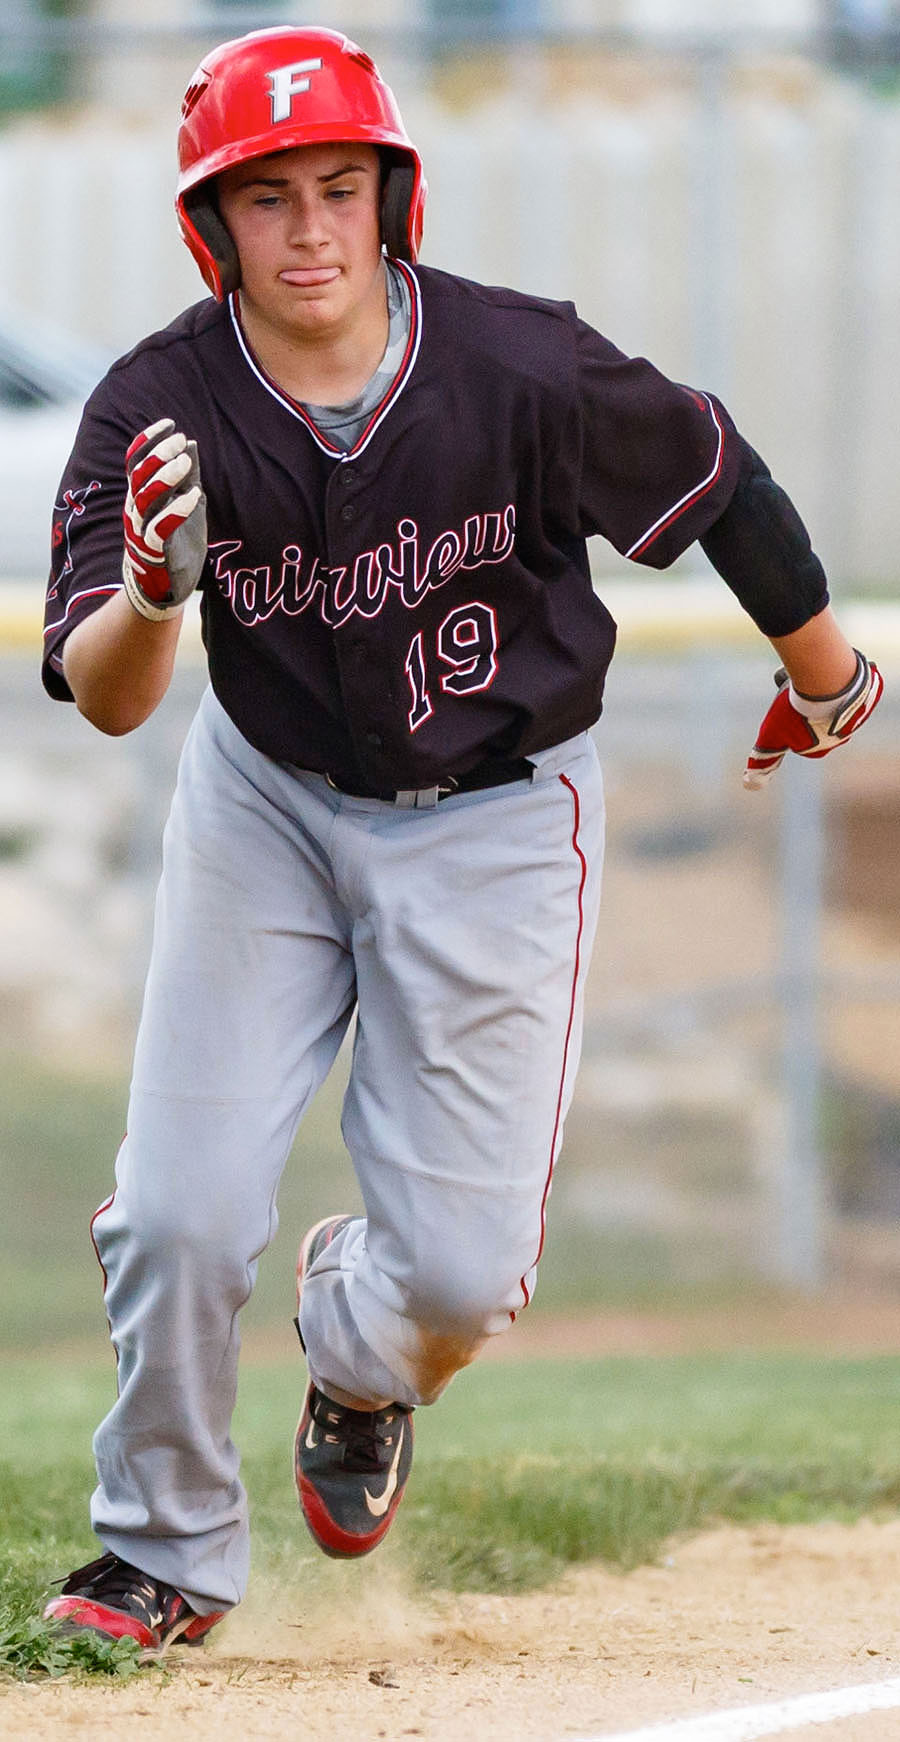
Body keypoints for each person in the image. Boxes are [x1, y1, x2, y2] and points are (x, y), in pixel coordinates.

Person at [41, 25, 881, 1652]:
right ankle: (161, 1548)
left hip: (501, 812)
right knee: (179, 1212)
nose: (309, 231)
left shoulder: (521, 369)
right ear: (211, 226)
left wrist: (829, 679)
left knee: (459, 1279)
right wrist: (154, 590)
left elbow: (718, 482)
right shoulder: (156, 407)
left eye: (339, 187)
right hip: (268, 801)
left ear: (392, 196)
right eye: (267, 197)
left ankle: (358, 1370)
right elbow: (110, 696)